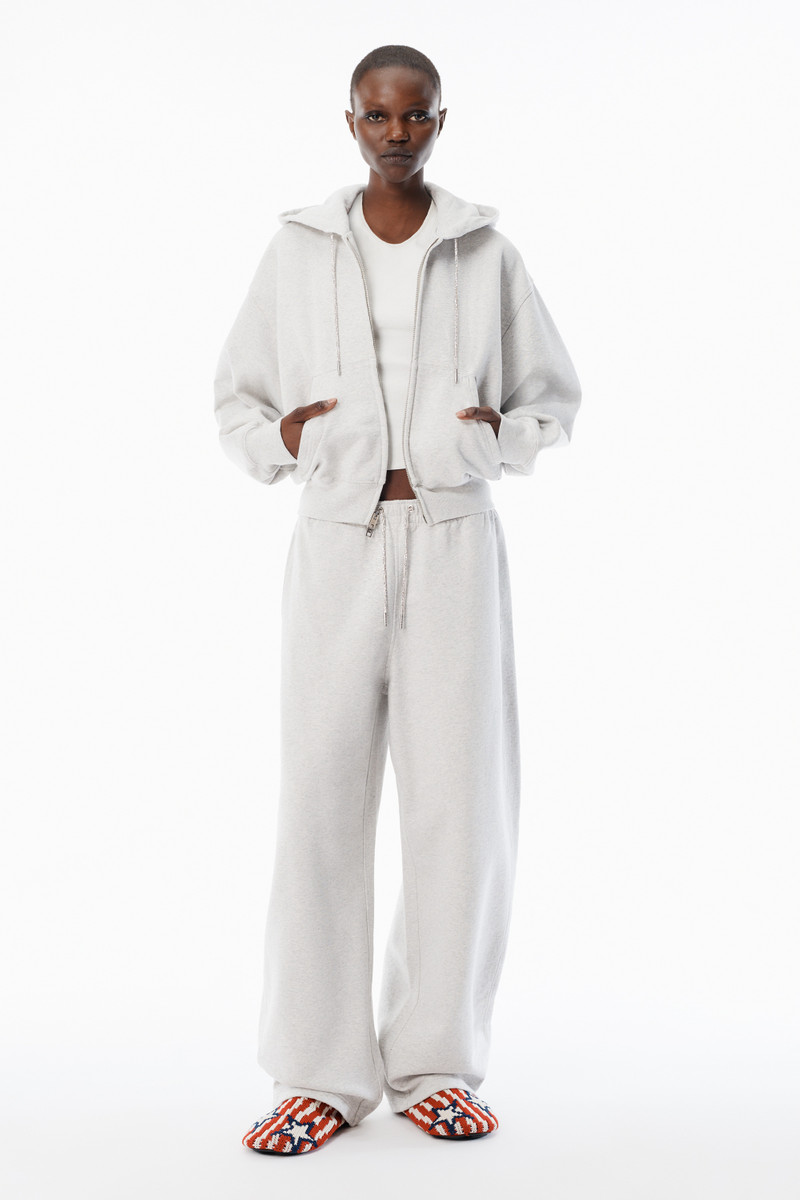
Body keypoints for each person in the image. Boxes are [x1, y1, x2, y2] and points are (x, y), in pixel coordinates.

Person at [213, 44, 582, 1156]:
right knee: (319, 804)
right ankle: (318, 1076)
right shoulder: (298, 249)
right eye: (376, 116)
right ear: (350, 123)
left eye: (414, 116)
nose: (395, 134)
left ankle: (434, 1065)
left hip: (454, 539)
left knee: (457, 809)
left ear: (439, 122)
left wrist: (495, 440)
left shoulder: (484, 250)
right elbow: (236, 398)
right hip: (336, 540)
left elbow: (552, 396)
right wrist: (288, 439)